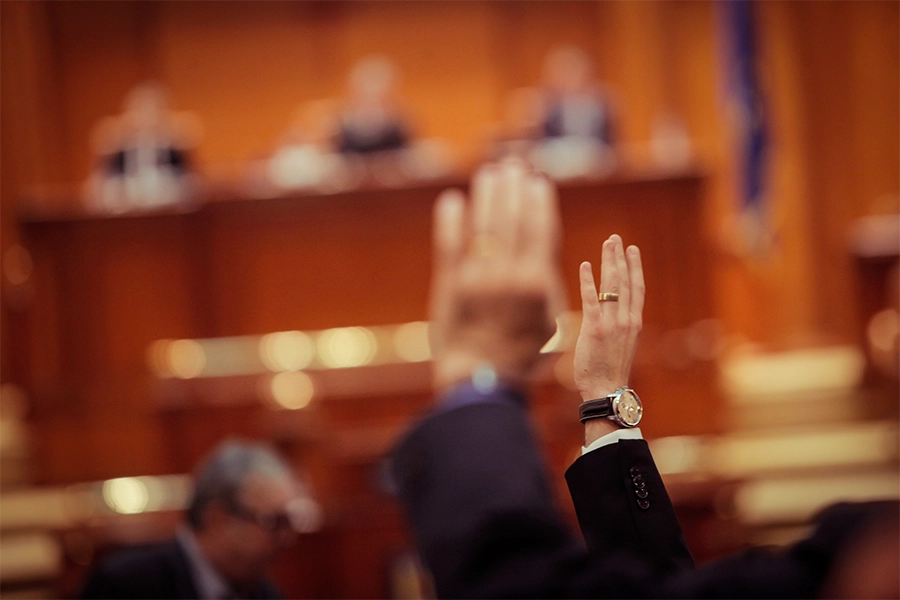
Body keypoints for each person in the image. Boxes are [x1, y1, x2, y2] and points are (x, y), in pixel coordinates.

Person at [390, 159, 899, 598]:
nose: (889, 332)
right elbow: (655, 590)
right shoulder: (866, 545)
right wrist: (605, 399)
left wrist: (482, 371)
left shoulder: (869, 560)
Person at [81, 440, 319, 599]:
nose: (287, 539)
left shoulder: (264, 594)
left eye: (289, 521)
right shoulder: (127, 585)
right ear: (218, 520)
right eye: (272, 522)